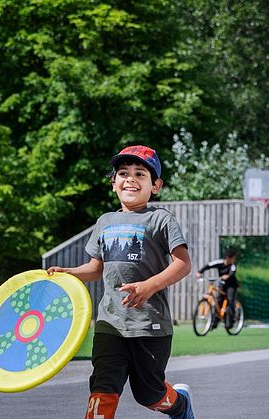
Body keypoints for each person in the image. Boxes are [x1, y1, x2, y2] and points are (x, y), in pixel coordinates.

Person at [47, 145, 194, 419]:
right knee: (103, 385)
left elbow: (183, 264)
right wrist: (70, 273)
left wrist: (149, 286)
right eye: (123, 173)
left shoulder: (160, 219)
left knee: (148, 393)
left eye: (140, 174)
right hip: (109, 323)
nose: (131, 178)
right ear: (113, 183)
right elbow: (95, 268)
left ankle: (181, 404)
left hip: (149, 325)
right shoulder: (105, 221)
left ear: (156, 185)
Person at [195, 249, 238, 329]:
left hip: (231, 286)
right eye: (233, 258)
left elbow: (232, 272)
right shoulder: (219, 263)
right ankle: (214, 321)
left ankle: (231, 320)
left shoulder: (233, 265)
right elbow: (209, 265)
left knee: (230, 299)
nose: (234, 260)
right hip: (222, 284)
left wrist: (228, 276)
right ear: (228, 258)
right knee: (218, 301)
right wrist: (200, 272)